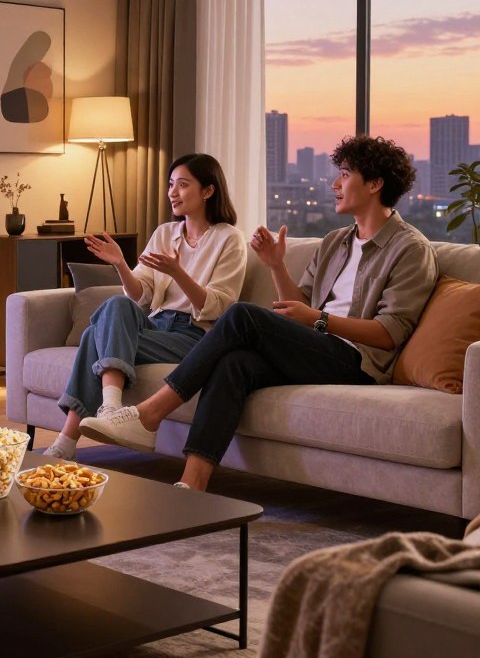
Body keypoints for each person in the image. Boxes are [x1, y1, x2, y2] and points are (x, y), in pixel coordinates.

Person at [80, 135, 439, 491]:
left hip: (358, 363)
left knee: (240, 316)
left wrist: (319, 320)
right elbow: (298, 305)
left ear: (375, 184)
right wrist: (277, 266)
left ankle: (150, 414)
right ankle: (192, 486)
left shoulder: (409, 249)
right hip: (316, 347)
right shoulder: (335, 242)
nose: (335, 184)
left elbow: (389, 334)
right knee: (234, 363)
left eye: (344, 174)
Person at [43, 153, 246, 461]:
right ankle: (111, 406)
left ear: (208, 191)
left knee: (92, 336)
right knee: (117, 305)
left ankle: (66, 441)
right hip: (156, 325)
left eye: (182, 185)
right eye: (170, 185)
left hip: (194, 336)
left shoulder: (229, 239)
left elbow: (218, 308)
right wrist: (121, 264)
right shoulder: (165, 233)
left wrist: (178, 271)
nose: (172, 193)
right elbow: (141, 295)